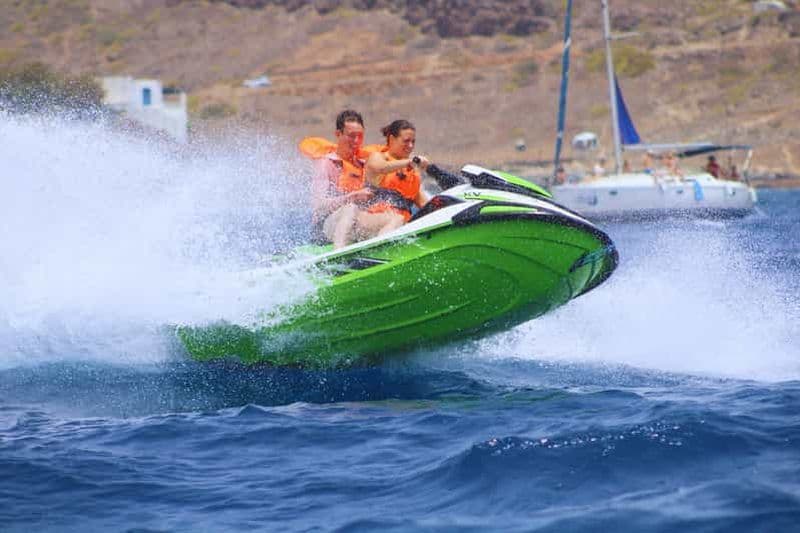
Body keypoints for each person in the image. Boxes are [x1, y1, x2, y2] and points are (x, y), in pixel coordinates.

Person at [304, 109, 395, 248]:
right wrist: (352, 197)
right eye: (351, 136)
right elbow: (319, 206)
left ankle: (381, 254)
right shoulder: (326, 164)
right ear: (338, 134)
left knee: (395, 217)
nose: (356, 141)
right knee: (350, 208)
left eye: (360, 136)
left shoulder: (364, 164)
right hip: (325, 228)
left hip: (355, 223)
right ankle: (338, 256)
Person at [364, 119, 432, 227]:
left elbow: (424, 204)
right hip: (371, 221)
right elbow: (382, 168)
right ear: (391, 139)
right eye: (406, 141)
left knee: (400, 220)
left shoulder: (412, 172)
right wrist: (410, 162)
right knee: (396, 219)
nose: (410, 145)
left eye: (413, 142)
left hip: (400, 228)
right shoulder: (378, 157)